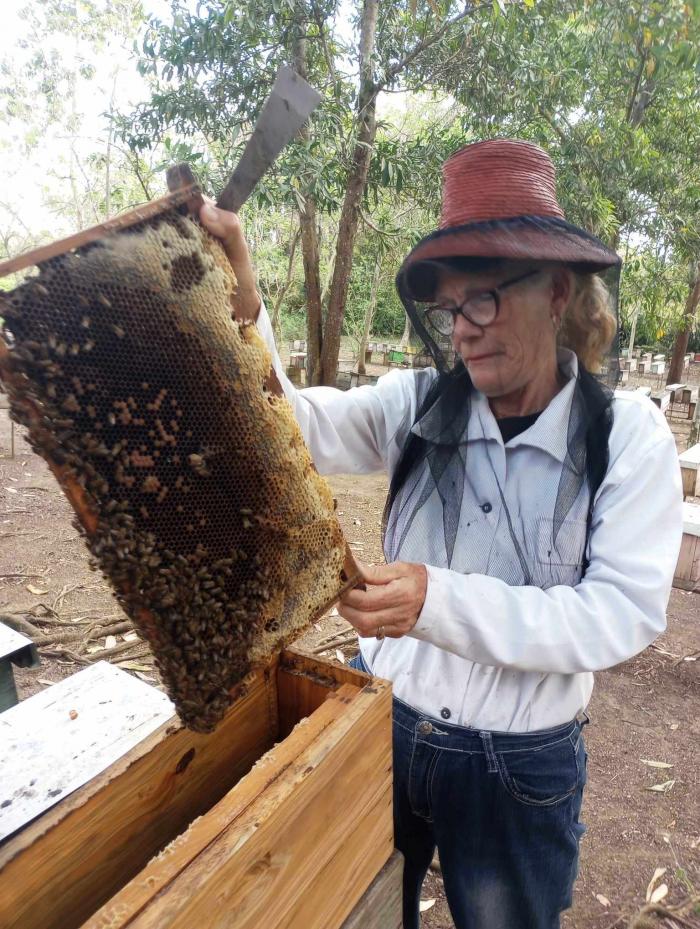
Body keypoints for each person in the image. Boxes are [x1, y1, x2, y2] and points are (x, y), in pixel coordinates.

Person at [200, 139, 683, 929]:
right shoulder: (417, 402)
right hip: (380, 718)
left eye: (482, 300)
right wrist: (242, 307)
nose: (462, 331)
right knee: (360, 910)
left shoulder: (624, 435)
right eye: (451, 310)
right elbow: (293, 429)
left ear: (557, 291)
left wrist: (437, 599)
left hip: (515, 765)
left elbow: (620, 613)